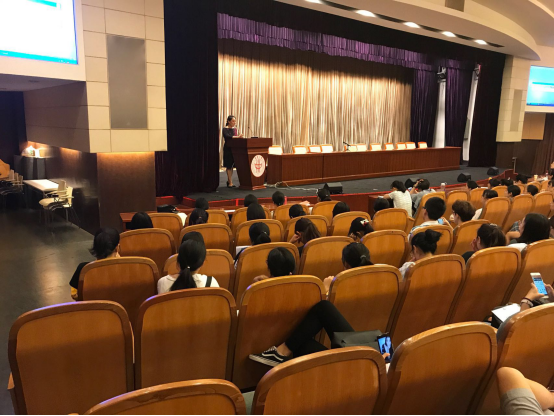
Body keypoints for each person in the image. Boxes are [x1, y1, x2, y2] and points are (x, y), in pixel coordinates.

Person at [249, 244, 374, 366]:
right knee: (301, 343)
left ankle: (281, 352)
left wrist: (323, 291)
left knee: (323, 308)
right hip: (363, 355)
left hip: (362, 361)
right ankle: (281, 352)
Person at [70, 228, 120, 300]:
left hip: (92, 307)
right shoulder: (127, 268)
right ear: (117, 248)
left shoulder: (83, 269)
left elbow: (74, 294)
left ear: (95, 247)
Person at [222, 115, 243, 188]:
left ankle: (229, 181)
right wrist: (237, 137)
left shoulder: (235, 129)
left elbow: (235, 139)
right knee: (228, 165)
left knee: (232, 166)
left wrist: (240, 138)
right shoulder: (225, 129)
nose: (234, 123)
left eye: (235, 121)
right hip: (228, 149)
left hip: (234, 149)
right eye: (233, 121)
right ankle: (230, 182)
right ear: (229, 121)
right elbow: (227, 137)